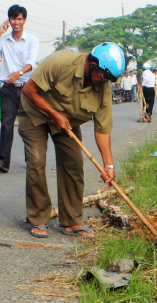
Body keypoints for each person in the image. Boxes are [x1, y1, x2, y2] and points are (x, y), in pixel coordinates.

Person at [19, 42, 125, 238]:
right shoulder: (61, 62)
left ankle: (72, 221)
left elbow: (102, 129)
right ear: (93, 64)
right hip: (35, 113)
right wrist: (53, 113)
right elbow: (29, 90)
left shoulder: (103, 87)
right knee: (37, 161)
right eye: (104, 76)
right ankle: (39, 218)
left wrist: (108, 165)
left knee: (74, 164)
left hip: (66, 122)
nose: (105, 82)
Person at [0, 4, 39, 174]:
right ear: (9, 20)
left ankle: (30, 159)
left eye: (19, 19)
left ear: (24, 20)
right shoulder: (3, 40)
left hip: (26, 88)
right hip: (8, 89)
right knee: (6, 124)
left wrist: (19, 73)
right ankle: (3, 161)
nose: (16, 22)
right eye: (13, 18)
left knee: (27, 125)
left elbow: (31, 62)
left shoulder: (32, 40)